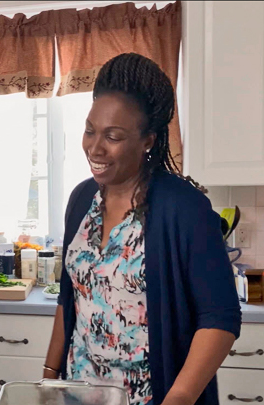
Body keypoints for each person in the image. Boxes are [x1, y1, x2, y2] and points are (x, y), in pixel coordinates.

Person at [43, 53, 241, 405]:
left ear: (148, 140)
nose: (95, 147)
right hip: (78, 393)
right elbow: (68, 296)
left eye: (113, 136)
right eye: (90, 130)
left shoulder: (184, 209)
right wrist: (47, 379)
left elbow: (220, 317)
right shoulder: (81, 200)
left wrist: (178, 398)